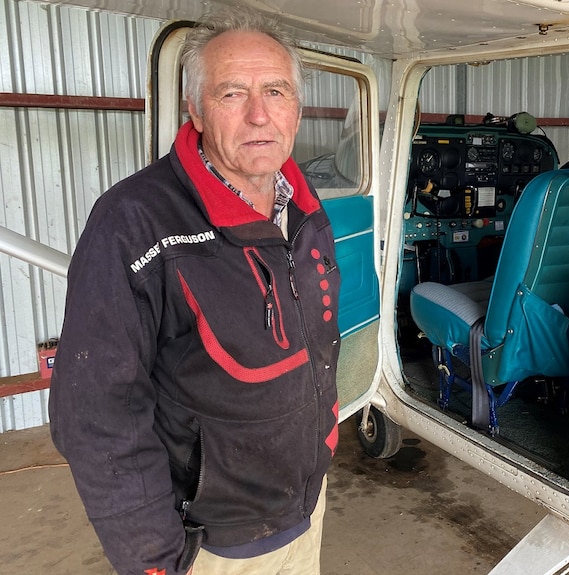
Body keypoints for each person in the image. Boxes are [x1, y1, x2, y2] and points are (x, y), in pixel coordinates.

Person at [48, 7, 340, 575]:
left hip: (304, 512)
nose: (260, 115)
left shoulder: (304, 208)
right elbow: (94, 415)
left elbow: (320, 346)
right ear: (196, 109)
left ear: (297, 110)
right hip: (210, 547)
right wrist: (155, 560)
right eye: (233, 94)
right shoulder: (133, 223)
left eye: (276, 91)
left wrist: (323, 436)